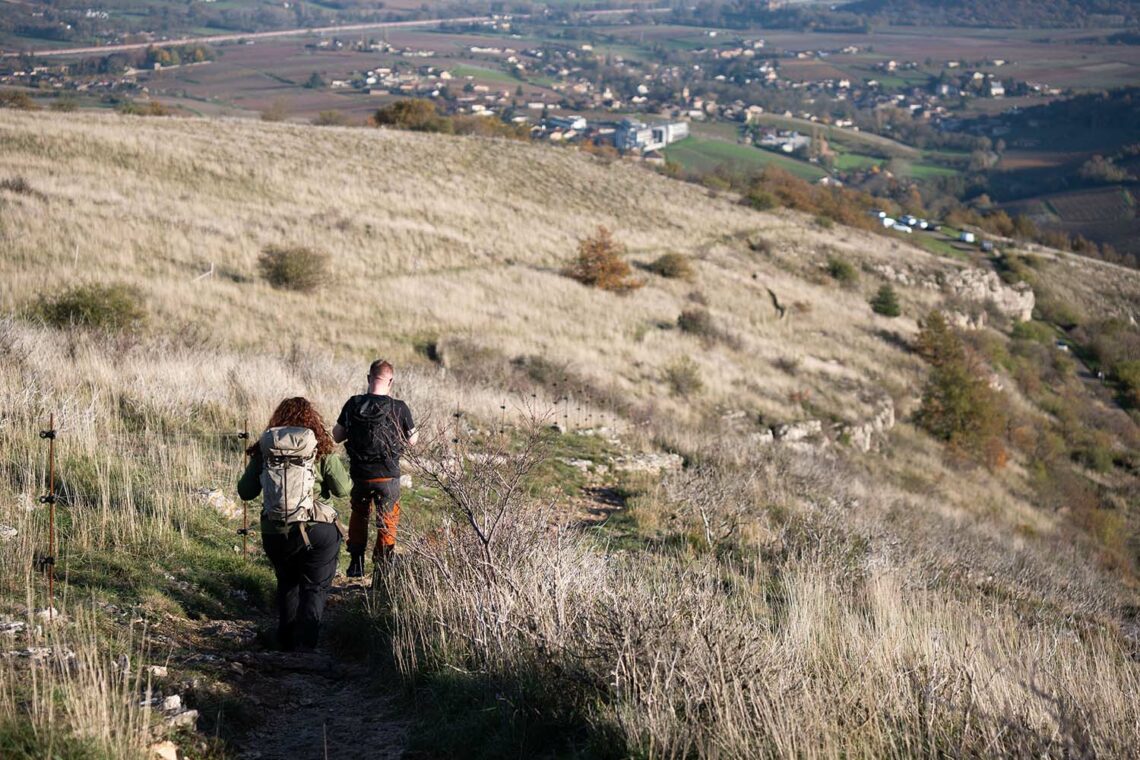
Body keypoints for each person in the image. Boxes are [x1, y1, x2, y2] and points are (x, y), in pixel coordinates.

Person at [238, 397, 350, 651]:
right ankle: (306, 647)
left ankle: (286, 643)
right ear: (312, 421)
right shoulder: (320, 449)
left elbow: (245, 491)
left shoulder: (266, 450)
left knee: (287, 582)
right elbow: (343, 489)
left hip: (275, 531)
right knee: (315, 587)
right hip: (317, 531)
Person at [332, 359, 417, 578]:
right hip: (388, 476)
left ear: (369, 378)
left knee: (359, 513)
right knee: (387, 520)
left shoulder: (353, 403)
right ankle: (382, 570)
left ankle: (356, 563)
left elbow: (337, 436)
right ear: (391, 381)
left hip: (360, 474)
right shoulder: (399, 407)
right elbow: (413, 440)